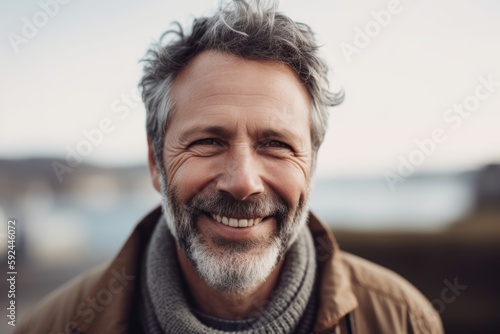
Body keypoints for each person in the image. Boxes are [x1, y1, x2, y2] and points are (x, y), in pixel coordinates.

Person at [15, 0, 443, 333]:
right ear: (155, 162)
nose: (242, 182)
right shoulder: (50, 326)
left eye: (275, 145)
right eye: (208, 142)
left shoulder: (404, 321)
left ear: (310, 166)